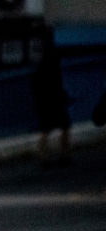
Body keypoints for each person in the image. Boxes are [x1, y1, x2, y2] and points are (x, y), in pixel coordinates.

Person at [31, 36, 72, 167]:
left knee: (45, 130)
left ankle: (43, 157)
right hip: (54, 102)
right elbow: (57, 86)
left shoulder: (40, 69)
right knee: (64, 127)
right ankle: (63, 155)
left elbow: (36, 88)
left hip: (44, 104)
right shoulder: (53, 68)